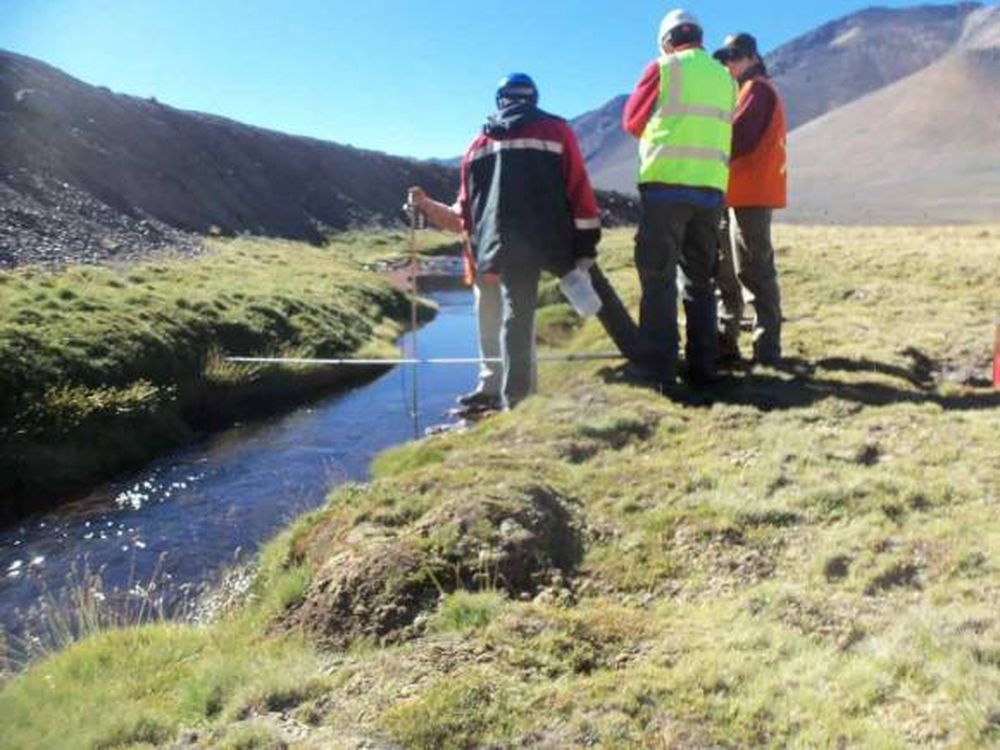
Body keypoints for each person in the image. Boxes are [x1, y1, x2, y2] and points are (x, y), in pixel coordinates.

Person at [409, 73, 613, 411]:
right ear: (533, 97)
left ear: (499, 100)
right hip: (544, 245)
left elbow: (465, 214)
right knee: (517, 320)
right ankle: (509, 395)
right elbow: (578, 189)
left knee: (504, 322)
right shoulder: (556, 131)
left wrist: (427, 207)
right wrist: (585, 243)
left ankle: (511, 398)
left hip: (489, 252)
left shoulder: (477, 145)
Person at [623, 9, 736, 387]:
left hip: (665, 189)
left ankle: (658, 367)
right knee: (700, 279)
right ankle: (703, 366)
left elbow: (632, 122)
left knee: (658, 278)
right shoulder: (726, 78)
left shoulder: (663, 68)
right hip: (710, 191)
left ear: (667, 40)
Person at [713, 33, 788, 366]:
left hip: (751, 195)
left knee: (754, 272)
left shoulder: (756, 89)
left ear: (750, 57)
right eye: (726, 56)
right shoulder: (749, 89)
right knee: (732, 271)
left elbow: (739, 138)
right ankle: (727, 343)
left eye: (733, 56)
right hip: (742, 194)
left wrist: (708, 135)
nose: (727, 63)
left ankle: (766, 350)